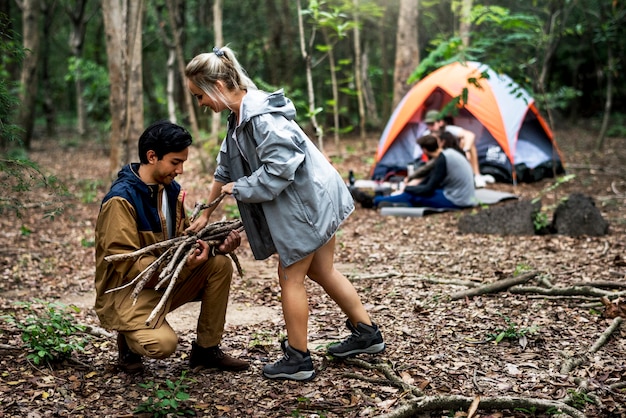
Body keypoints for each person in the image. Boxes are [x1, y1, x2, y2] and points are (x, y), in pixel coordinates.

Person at [184, 46, 385, 382]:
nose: (200, 104)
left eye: (198, 96)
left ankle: (298, 358)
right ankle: (367, 334)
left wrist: (243, 187)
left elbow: (281, 169)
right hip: (315, 199)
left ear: (216, 87)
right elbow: (224, 168)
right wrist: (206, 212)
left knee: (290, 276)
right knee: (322, 269)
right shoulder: (238, 118)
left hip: (307, 205)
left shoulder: (261, 117)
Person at [94, 120, 249, 374]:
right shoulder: (121, 200)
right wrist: (182, 265)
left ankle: (206, 351)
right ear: (152, 156)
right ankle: (128, 343)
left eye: (183, 162)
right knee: (163, 345)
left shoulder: (170, 191)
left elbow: (183, 240)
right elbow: (124, 262)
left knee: (219, 265)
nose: (181, 170)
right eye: (175, 162)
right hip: (127, 291)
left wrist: (216, 247)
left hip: (164, 279)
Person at [373, 134, 477, 209]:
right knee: (415, 194)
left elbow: (428, 189)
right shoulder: (449, 153)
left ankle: (375, 200)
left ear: (424, 150)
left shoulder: (443, 159)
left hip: (457, 200)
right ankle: (400, 203)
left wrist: (407, 188)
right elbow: (429, 175)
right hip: (467, 197)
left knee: (413, 195)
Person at [422, 109, 494, 188]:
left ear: (440, 122)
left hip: (453, 160)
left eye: (432, 124)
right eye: (428, 124)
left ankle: (476, 175)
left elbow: (470, 135)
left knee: (466, 142)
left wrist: (465, 150)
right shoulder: (426, 136)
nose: (430, 127)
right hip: (438, 161)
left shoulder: (448, 130)